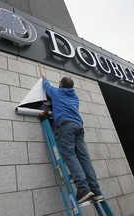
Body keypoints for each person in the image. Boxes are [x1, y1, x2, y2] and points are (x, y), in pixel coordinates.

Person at [42, 75, 104, 204]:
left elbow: (47, 87)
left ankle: (83, 189)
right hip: (79, 127)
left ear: (61, 85)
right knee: (84, 158)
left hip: (66, 126)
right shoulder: (75, 96)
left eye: (59, 83)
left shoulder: (57, 92)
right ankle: (96, 191)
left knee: (69, 154)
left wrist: (44, 78)